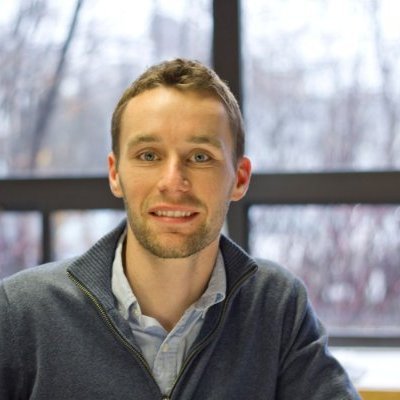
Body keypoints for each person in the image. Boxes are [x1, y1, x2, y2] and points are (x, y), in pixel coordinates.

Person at [0, 59, 361, 400]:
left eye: (200, 157)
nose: (173, 182)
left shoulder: (278, 306)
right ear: (115, 174)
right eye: (149, 156)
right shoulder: (19, 312)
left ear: (239, 178)